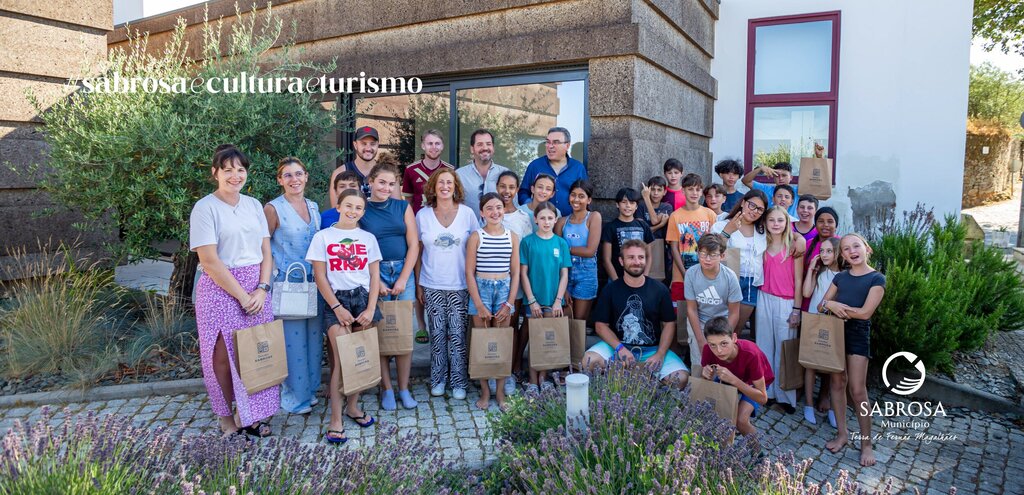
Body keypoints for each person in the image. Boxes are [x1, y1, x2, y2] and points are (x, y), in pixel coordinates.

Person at [190, 146, 278, 438]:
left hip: (257, 286)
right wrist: (242, 296)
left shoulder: (254, 205)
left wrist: (263, 289)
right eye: (227, 169)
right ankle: (226, 418)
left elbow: (267, 250)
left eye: (240, 169)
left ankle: (250, 415)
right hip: (221, 289)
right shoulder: (205, 208)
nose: (235, 175)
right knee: (221, 358)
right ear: (215, 172)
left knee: (253, 352)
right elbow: (209, 260)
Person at [307, 189, 382, 444]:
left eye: (358, 208)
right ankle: (336, 419)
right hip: (336, 301)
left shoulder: (368, 238)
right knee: (342, 360)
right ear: (337, 206)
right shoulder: (323, 237)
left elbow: (374, 276)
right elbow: (320, 277)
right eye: (348, 206)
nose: (352, 211)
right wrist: (337, 307)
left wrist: (371, 308)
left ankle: (353, 406)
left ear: (363, 211)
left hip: (362, 300)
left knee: (360, 356)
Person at [583, 239, 690, 389]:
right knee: (589, 360)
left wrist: (660, 353)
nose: (636, 262)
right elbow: (600, 326)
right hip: (617, 346)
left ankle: (646, 390)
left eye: (641, 257)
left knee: (681, 378)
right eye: (631, 257)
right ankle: (610, 389)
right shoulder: (611, 289)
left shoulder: (659, 290)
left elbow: (669, 324)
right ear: (621, 261)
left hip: (652, 349)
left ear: (646, 260)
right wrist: (620, 348)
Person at [819, 233, 886, 467]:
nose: (851, 251)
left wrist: (835, 306)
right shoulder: (840, 277)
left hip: (858, 334)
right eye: (846, 249)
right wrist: (830, 304)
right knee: (837, 383)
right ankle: (842, 434)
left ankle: (866, 443)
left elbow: (865, 313)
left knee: (857, 390)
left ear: (866, 248)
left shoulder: (877, 279)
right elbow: (821, 305)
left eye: (856, 246)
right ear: (843, 255)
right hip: (836, 333)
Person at [264, 157, 322, 415]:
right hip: (289, 284)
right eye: (287, 175)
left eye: (298, 173)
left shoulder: (314, 206)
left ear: (306, 176)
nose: (294, 179)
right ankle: (293, 398)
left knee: (313, 340)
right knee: (293, 342)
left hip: (315, 283)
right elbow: (263, 247)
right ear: (280, 180)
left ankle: (309, 392)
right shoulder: (273, 209)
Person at [416, 168, 480, 399]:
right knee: (437, 335)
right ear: (433, 186)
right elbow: (418, 250)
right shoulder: (422, 215)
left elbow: (476, 248)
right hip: (432, 283)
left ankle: (459, 381)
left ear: (456, 187)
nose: (445, 186)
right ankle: (438, 379)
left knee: (457, 335)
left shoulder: (467, 214)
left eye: (449, 183)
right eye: (440, 182)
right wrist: (418, 284)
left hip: (460, 285)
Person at [360, 161, 420, 411]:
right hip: (376, 273)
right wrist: (378, 281)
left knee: (404, 335)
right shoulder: (361, 209)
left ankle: (403, 388)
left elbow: (414, 244)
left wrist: (405, 277)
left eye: (391, 183)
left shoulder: (402, 206)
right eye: (381, 182)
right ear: (370, 182)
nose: (386, 187)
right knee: (383, 336)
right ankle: (386, 389)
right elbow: (359, 248)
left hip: (403, 271)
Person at [466, 192, 521, 409]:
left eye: (498, 207)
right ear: (482, 212)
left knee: (501, 342)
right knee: (482, 342)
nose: (494, 212)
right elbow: (469, 272)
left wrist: (509, 303)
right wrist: (478, 303)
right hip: (482, 289)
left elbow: (515, 273)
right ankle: (485, 391)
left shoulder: (512, 236)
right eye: (489, 208)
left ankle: (500, 392)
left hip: (504, 290)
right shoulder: (476, 237)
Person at [520, 201, 572, 392]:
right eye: (542, 218)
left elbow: (564, 274)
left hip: (553, 300)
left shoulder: (561, 243)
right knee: (535, 339)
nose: (546, 221)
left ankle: (544, 377)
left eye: (550, 218)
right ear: (535, 219)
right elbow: (523, 273)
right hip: (534, 300)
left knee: (547, 339)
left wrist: (558, 300)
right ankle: (533, 380)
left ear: (555, 219)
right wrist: (532, 300)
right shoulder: (527, 242)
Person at [756, 206, 803, 414]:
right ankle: (767, 393)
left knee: (784, 350)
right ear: (765, 223)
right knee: (765, 346)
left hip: (786, 301)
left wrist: (797, 309)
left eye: (780, 220)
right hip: (764, 297)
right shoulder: (761, 244)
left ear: (787, 223)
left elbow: (799, 280)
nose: (776, 224)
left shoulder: (794, 246)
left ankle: (786, 398)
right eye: (772, 220)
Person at [700, 316, 772, 437]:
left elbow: (763, 398)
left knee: (740, 421)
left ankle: (758, 453)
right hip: (727, 377)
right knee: (715, 411)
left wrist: (734, 380)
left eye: (724, 344)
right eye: (713, 345)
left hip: (753, 383)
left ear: (734, 338)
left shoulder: (751, 354)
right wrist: (705, 374)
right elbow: (705, 382)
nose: (719, 351)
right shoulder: (708, 349)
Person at [710, 190, 769, 337]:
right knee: (721, 328)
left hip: (751, 283)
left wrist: (798, 239)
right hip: (729, 280)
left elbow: (786, 227)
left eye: (760, 209)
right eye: (752, 205)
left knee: (736, 329)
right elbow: (712, 251)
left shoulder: (763, 230)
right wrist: (727, 232)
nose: (754, 211)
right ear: (743, 203)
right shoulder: (722, 224)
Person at [683, 234, 742, 371]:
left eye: (713, 255)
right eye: (703, 254)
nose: (707, 259)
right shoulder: (691, 274)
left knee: (722, 363)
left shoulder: (730, 277)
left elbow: (734, 312)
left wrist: (723, 336)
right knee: (700, 364)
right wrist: (700, 339)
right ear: (697, 253)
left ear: (722, 256)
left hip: (722, 322)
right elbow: (691, 309)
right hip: (700, 321)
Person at [498, 170, 534, 391]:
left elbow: (527, 250)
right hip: (492, 279)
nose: (507, 191)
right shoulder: (491, 212)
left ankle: (511, 370)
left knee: (512, 325)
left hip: (517, 280)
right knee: (497, 327)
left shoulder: (522, 218)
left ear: (517, 189)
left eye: (511, 187)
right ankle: (495, 369)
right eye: (503, 186)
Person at [801, 236, 842, 427]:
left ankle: (835, 409)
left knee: (834, 366)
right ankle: (808, 405)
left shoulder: (843, 275)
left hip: (833, 322)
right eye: (822, 251)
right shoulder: (819, 272)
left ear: (837, 253)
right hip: (813, 319)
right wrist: (811, 269)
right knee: (810, 363)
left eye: (829, 251)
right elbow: (807, 293)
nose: (824, 254)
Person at [666, 173, 719, 303]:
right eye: (690, 189)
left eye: (697, 189)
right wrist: (685, 274)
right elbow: (674, 247)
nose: (694, 193)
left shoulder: (710, 214)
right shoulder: (675, 216)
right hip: (681, 276)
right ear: (683, 191)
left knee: (704, 313)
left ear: (701, 192)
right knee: (681, 317)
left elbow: (716, 245)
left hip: (707, 276)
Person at [554, 179, 602, 324]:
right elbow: (557, 254)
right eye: (573, 195)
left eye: (581, 196)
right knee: (564, 319)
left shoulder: (594, 217)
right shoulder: (562, 222)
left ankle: (578, 348)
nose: (576, 199)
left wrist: (566, 249)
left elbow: (590, 251)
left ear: (589, 200)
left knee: (579, 321)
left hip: (586, 273)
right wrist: (563, 287)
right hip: (565, 272)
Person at [519, 127, 588, 216]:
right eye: (548, 142)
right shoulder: (535, 166)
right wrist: (532, 208)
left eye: (556, 142)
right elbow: (523, 192)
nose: (550, 146)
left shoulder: (578, 168)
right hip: (540, 223)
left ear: (567, 146)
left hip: (567, 224)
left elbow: (585, 196)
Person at [601, 187, 654, 281]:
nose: (628, 206)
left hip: (640, 278)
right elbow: (606, 259)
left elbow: (649, 256)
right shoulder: (610, 227)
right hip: (617, 278)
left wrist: (645, 277)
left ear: (636, 206)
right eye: (624, 202)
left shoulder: (643, 226)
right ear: (617, 204)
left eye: (632, 203)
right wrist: (616, 281)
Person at [457, 129, 510, 215]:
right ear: (472, 149)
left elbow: (512, 206)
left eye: (488, 144)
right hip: (468, 228)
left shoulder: (505, 174)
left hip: (499, 227)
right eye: (480, 144)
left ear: (493, 147)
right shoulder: (459, 175)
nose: (485, 148)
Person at [329, 126, 386, 203]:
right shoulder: (340, 172)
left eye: (372, 144)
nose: (368, 148)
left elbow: (397, 207)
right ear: (355, 145)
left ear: (377, 145)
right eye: (363, 144)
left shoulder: (386, 172)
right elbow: (336, 208)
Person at [402, 129, 453, 214]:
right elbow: (408, 202)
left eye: (437, 143)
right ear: (423, 146)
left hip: (443, 222)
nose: (434, 147)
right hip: (418, 223)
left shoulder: (450, 170)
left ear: (442, 146)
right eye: (430, 143)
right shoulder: (410, 170)